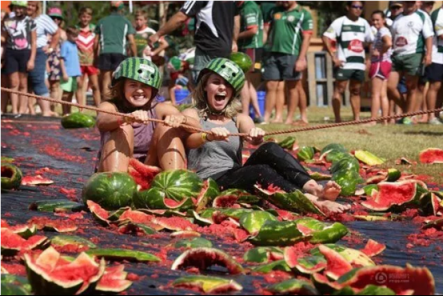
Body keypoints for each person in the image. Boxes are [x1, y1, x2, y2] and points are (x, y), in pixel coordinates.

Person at [183, 58, 350, 214]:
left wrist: (255, 136)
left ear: (232, 91)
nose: (221, 88)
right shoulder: (192, 114)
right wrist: (209, 137)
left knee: (270, 148)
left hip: (236, 174)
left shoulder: (239, 119)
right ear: (205, 86)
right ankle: (312, 201)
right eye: (216, 82)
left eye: (227, 84)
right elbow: (190, 140)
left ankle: (314, 188)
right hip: (210, 181)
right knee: (260, 171)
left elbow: (251, 133)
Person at [96, 58, 200, 172]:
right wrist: (126, 118)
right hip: (120, 174)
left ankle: (174, 180)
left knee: (166, 128)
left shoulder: (160, 109)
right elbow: (102, 121)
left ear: (152, 89)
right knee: (124, 127)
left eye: (145, 86)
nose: (139, 90)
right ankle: (115, 180)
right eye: (133, 85)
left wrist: (182, 119)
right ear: (122, 87)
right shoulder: (110, 106)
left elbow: (197, 128)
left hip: (149, 169)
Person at [149, 1, 240, 84]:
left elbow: (181, 17)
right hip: (225, 48)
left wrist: (158, 34)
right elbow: (236, 18)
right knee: (219, 84)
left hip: (208, 47)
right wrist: (234, 41)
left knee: (202, 87)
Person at [323, 1, 374, 123]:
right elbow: (325, 37)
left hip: (359, 64)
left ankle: (356, 119)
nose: (358, 9)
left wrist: (369, 59)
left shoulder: (364, 23)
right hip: (344, 63)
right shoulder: (340, 22)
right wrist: (333, 56)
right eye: (355, 6)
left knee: (356, 90)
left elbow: (370, 41)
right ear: (348, 7)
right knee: (339, 90)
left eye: (360, 7)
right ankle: (337, 119)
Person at [263, 1, 313, 125]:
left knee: (293, 87)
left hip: (292, 54)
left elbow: (307, 38)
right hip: (273, 53)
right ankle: (266, 118)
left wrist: (301, 58)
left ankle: (289, 118)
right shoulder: (274, 11)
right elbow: (266, 30)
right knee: (270, 85)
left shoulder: (303, 13)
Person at [387, 1, 434, 125]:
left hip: (414, 54)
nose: (410, 4)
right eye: (407, 1)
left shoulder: (422, 16)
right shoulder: (397, 18)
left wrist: (428, 54)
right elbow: (392, 37)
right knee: (390, 87)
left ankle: (408, 116)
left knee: (411, 87)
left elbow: (429, 36)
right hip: (397, 55)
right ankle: (408, 113)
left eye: (412, 1)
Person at [95, 1, 137, 100]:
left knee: (106, 80)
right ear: (122, 9)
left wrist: (95, 58)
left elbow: (95, 43)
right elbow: (131, 41)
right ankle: (116, 106)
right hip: (120, 53)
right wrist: (134, 57)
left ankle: (105, 106)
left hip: (105, 52)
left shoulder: (102, 21)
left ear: (110, 8)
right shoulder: (125, 22)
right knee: (118, 80)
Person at [1, 0, 36, 115]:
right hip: (11, 52)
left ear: (25, 9)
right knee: (13, 82)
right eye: (16, 8)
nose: (18, 10)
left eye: (21, 8)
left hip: (25, 52)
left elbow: (34, 42)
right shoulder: (8, 22)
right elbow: (4, 39)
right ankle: (15, 110)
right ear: (13, 8)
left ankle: (22, 110)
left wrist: (31, 59)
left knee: (23, 83)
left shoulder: (31, 22)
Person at [26, 1, 59, 117]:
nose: (29, 7)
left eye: (32, 5)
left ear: (36, 7)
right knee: (23, 82)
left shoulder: (42, 18)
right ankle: (24, 110)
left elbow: (56, 32)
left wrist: (51, 48)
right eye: (28, 4)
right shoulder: (18, 18)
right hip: (21, 51)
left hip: (39, 51)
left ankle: (46, 111)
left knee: (38, 80)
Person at [238, 0, 264, 123]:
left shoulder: (249, 7)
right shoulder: (245, 6)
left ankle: (245, 114)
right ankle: (258, 113)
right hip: (251, 47)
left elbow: (252, 30)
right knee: (247, 81)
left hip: (250, 47)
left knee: (243, 80)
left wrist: (233, 37)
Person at [368, 11, 393, 126]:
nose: (375, 22)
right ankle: (385, 120)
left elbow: (388, 43)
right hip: (386, 63)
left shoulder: (383, 31)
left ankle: (373, 120)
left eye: (378, 19)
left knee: (375, 93)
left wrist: (380, 52)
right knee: (383, 94)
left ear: (383, 20)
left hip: (380, 63)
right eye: (373, 20)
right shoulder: (382, 30)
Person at [75, 7, 100, 109]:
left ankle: (99, 109)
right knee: (79, 86)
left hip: (92, 62)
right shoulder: (75, 29)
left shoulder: (94, 30)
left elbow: (98, 46)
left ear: (91, 18)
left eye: (88, 17)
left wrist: (98, 60)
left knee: (95, 86)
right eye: (83, 16)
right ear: (80, 17)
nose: (85, 19)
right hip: (79, 62)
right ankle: (81, 109)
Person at [426, 3, 443, 124]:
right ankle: (431, 116)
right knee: (435, 86)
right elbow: (441, 35)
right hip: (438, 56)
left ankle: (437, 114)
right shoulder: (438, 13)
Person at [46, 7, 66, 112]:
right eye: (53, 18)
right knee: (45, 85)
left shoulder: (63, 33)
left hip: (57, 61)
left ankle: (52, 109)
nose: (55, 20)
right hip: (45, 60)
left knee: (55, 86)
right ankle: (45, 108)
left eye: (58, 18)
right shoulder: (44, 31)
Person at [59, 27, 81, 115]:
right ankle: (64, 112)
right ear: (68, 34)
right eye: (74, 36)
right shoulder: (65, 45)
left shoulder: (75, 44)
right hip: (67, 73)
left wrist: (78, 73)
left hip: (75, 73)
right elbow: (61, 59)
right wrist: (64, 73)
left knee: (71, 94)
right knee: (66, 94)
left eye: (77, 36)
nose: (76, 38)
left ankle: (69, 111)